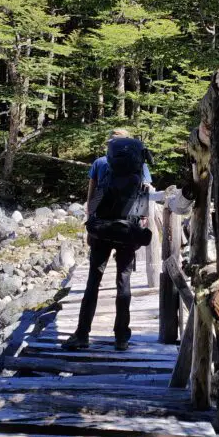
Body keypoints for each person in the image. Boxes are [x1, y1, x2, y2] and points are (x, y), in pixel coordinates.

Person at [63, 129, 153, 351]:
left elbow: (93, 200)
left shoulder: (100, 163)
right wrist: (139, 225)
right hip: (127, 231)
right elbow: (145, 197)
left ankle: (82, 334)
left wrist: (90, 226)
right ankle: (121, 337)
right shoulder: (140, 166)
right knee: (124, 281)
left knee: (93, 280)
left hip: (102, 231)